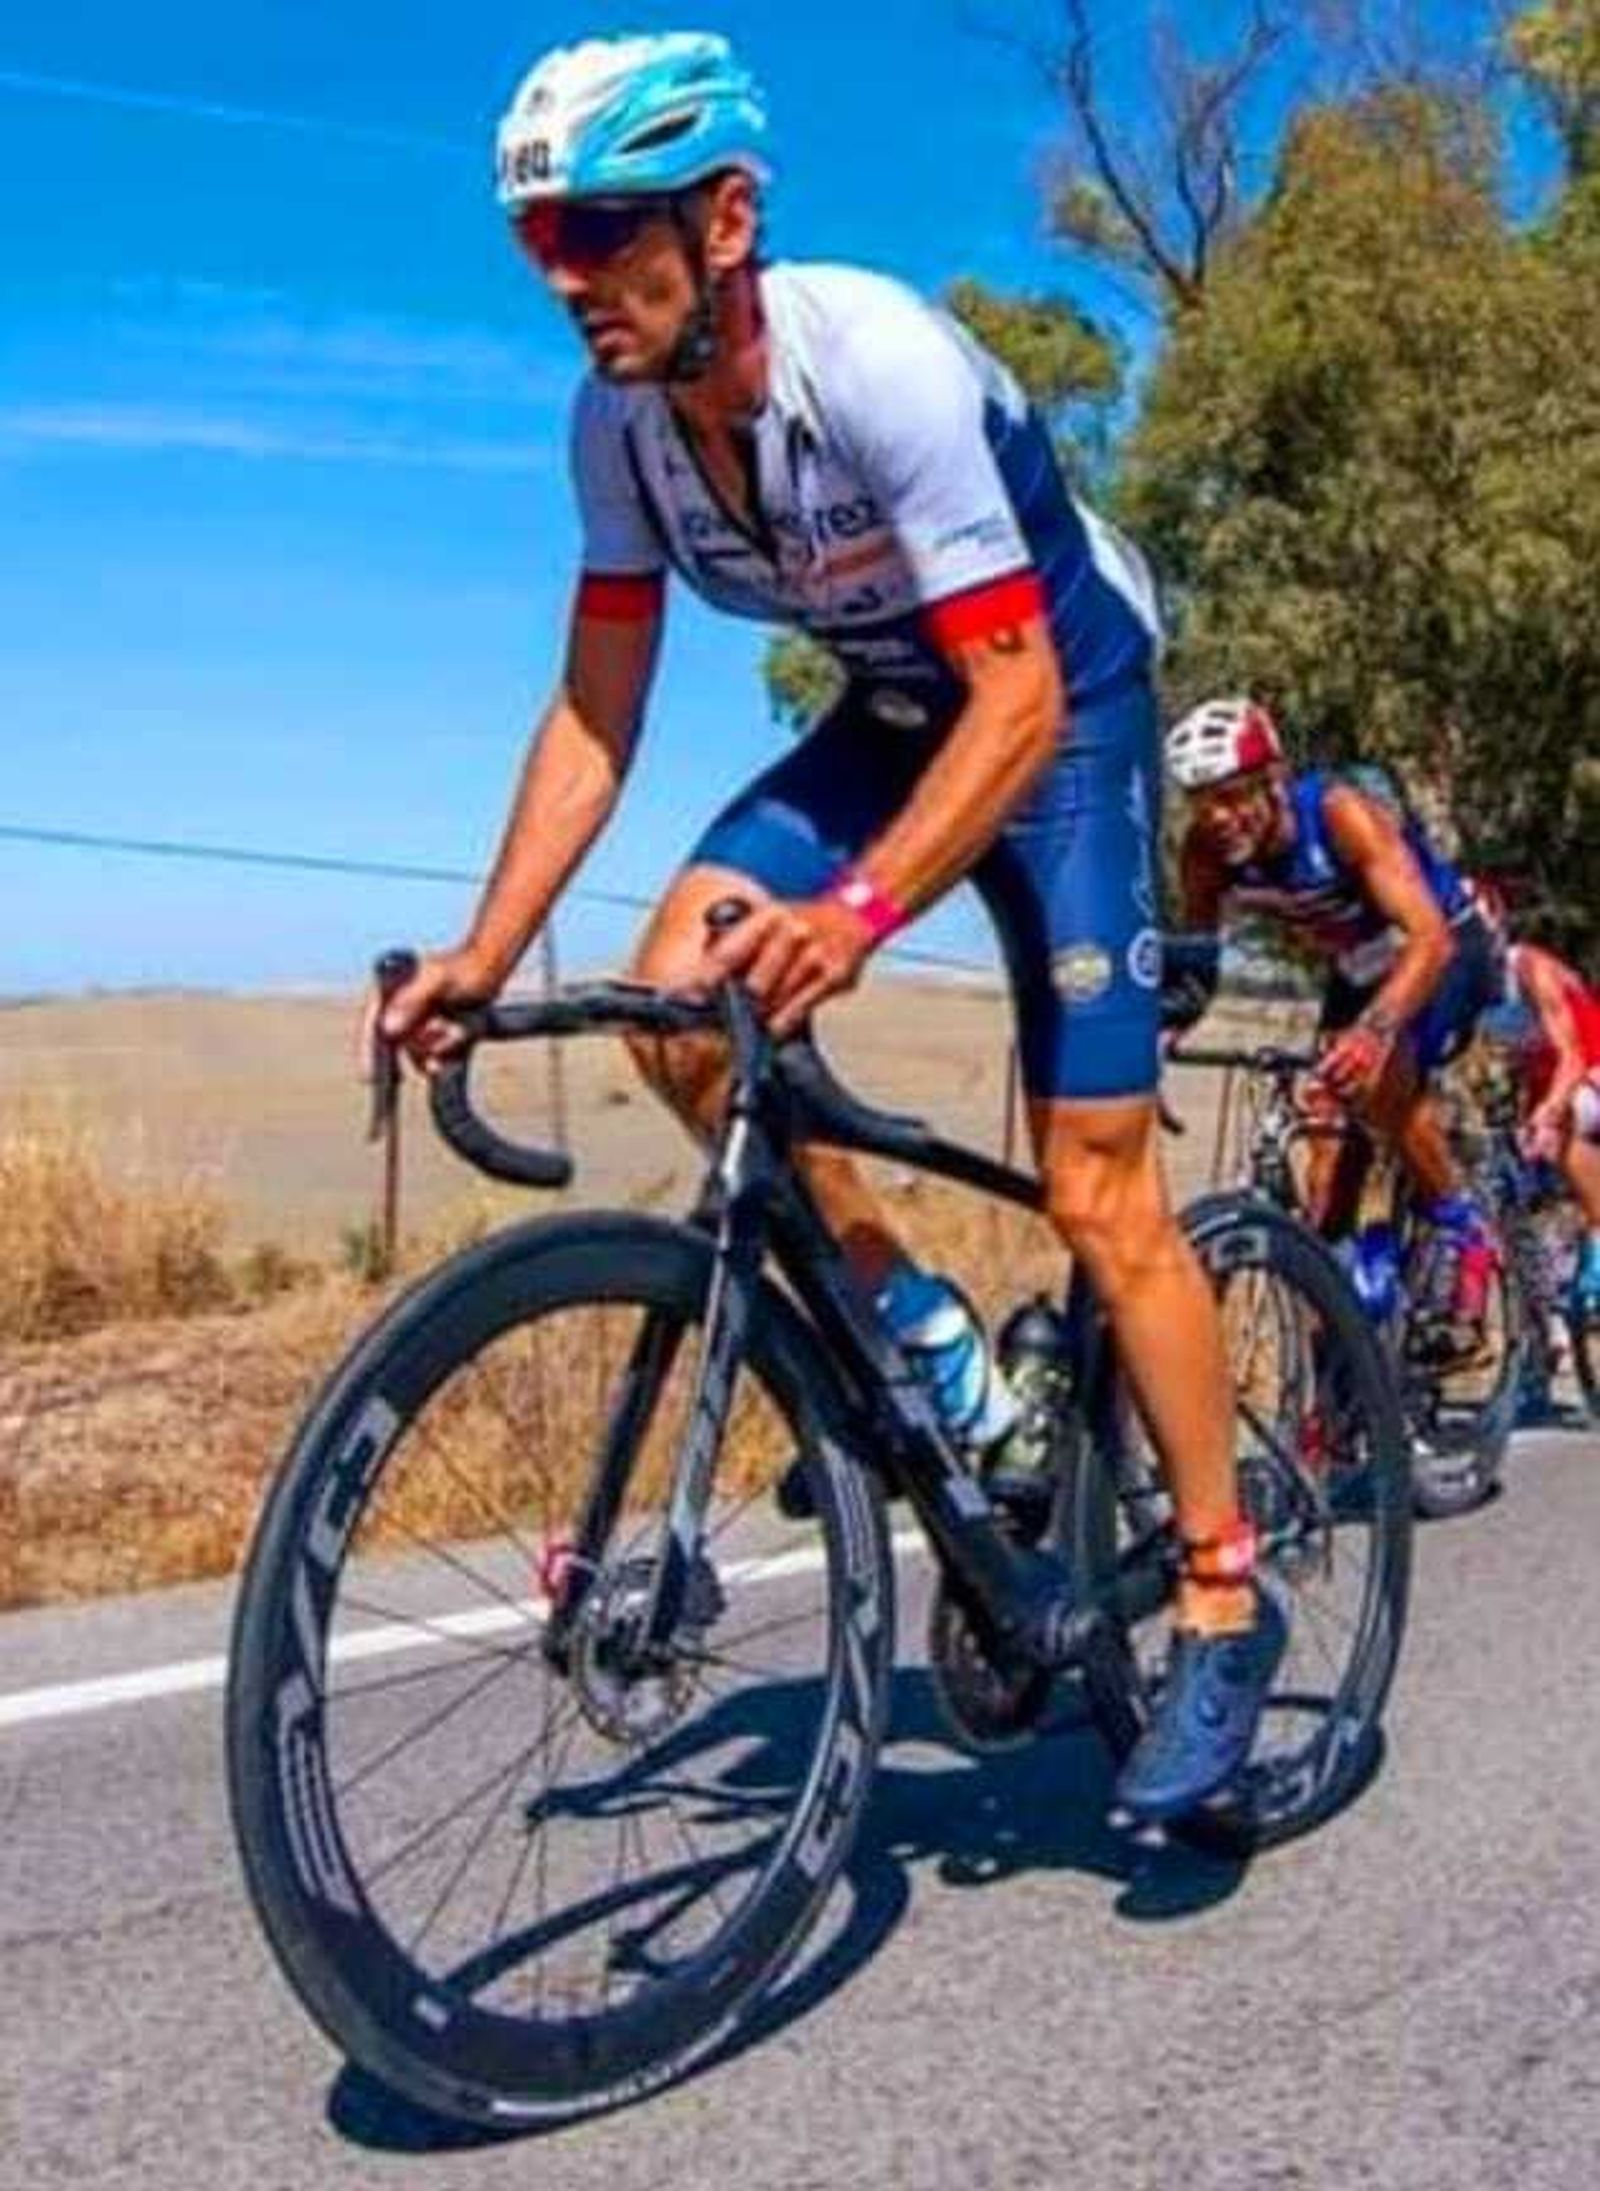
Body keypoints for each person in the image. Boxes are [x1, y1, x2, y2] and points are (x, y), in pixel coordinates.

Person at [372, 31, 1283, 1821]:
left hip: (1063, 710)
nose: (562, 278)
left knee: (1100, 1185)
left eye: (597, 231)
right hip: (892, 709)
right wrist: (485, 953)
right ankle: (933, 1342)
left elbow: (1013, 701)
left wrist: (861, 912)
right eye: (534, 239)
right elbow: (594, 715)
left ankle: (1221, 1592)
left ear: (722, 219)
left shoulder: (877, 365)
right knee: (673, 991)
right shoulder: (620, 429)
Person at [1167, 697, 1502, 1350]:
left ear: (1274, 778)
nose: (1219, 817)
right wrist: (1158, 1036)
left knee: (1381, 1074)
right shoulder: (1205, 853)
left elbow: (1428, 939)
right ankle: (1346, 1349)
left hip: (1446, 945)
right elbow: (1195, 966)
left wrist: (1375, 1032)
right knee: (1324, 1159)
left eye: (1233, 796)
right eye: (1201, 801)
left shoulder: (1339, 815)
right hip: (1358, 968)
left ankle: (1461, 1226)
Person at [1495, 931, 1600, 1315]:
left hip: (1591, 1070)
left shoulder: (1528, 968)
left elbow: (1570, 1058)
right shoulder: (1464, 983)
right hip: (1553, 1086)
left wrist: (1548, 1112)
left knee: (1561, 1123)